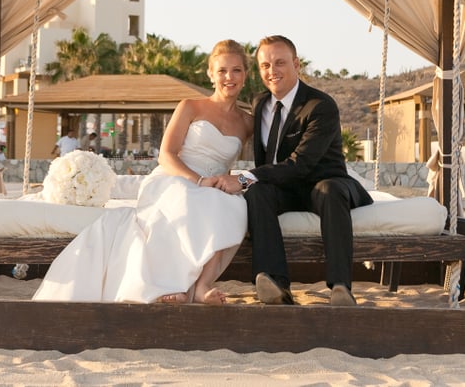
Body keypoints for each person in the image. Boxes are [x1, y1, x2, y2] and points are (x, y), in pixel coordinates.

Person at [32, 39, 254, 305]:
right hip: (176, 177)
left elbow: (233, 167)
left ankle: (202, 285)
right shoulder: (191, 106)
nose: (229, 77)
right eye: (222, 70)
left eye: (236, 70)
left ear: (245, 74)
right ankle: (174, 284)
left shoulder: (247, 122)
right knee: (188, 198)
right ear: (210, 74)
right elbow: (166, 154)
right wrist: (198, 180)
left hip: (214, 185)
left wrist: (233, 182)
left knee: (232, 205)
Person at [214, 35, 373, 306]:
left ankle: (340, 288)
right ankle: (274, 283)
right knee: (257, 192)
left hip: (324, 183)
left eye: (279, 63)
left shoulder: (320, 106)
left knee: (329, 189)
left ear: (296, 64)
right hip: (286, 190)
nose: (271, 71)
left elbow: (302, 164)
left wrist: (242, 178)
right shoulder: (260, 103)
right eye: (265, 65)